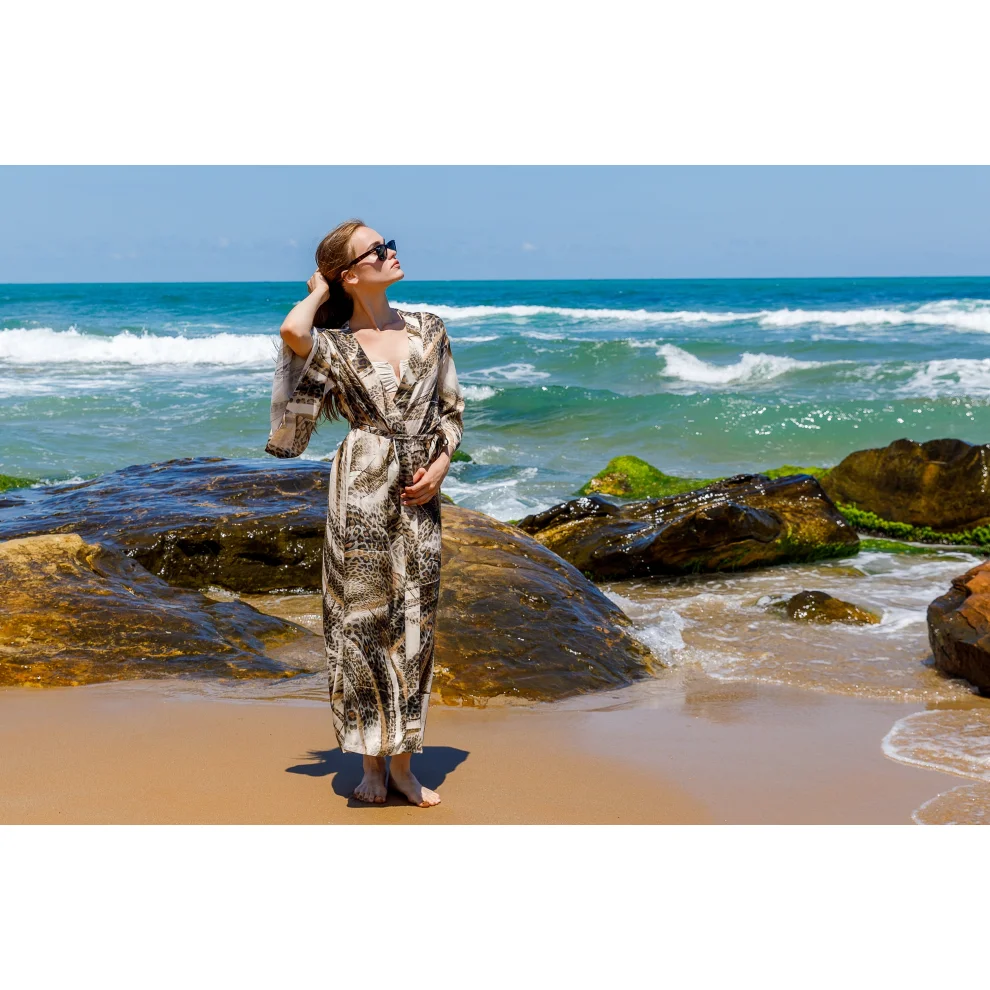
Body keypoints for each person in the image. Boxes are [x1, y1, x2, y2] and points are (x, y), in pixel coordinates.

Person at [266, 219, 465, 808]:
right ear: (350, 275)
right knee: (359, 621)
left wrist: (442, 465)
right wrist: (319, 291)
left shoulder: (430, 328)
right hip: (360, 484)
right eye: (376, 250)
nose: (390, 252)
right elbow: (292, 331)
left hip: (419, 488)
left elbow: (451, 410)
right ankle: (370, 763)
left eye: (389, 243)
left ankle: (403, 765)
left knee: (414, 622)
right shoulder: (335, 346)